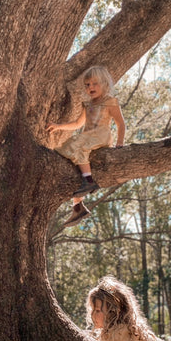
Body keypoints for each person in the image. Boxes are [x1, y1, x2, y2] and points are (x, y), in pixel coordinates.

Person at [47, 65, 125, 227]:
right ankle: (78, 206)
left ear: (104, 83)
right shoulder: (88, 105)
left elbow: (120, 124)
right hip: (87, 136)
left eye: (94, 84)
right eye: (87, 85)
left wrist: (119, 143)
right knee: (71, 150)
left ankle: (89, 181)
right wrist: (58, 126)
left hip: (100, 135)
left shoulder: (110, 102)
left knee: (78, 146)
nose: (90, 87)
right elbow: (77, 123)